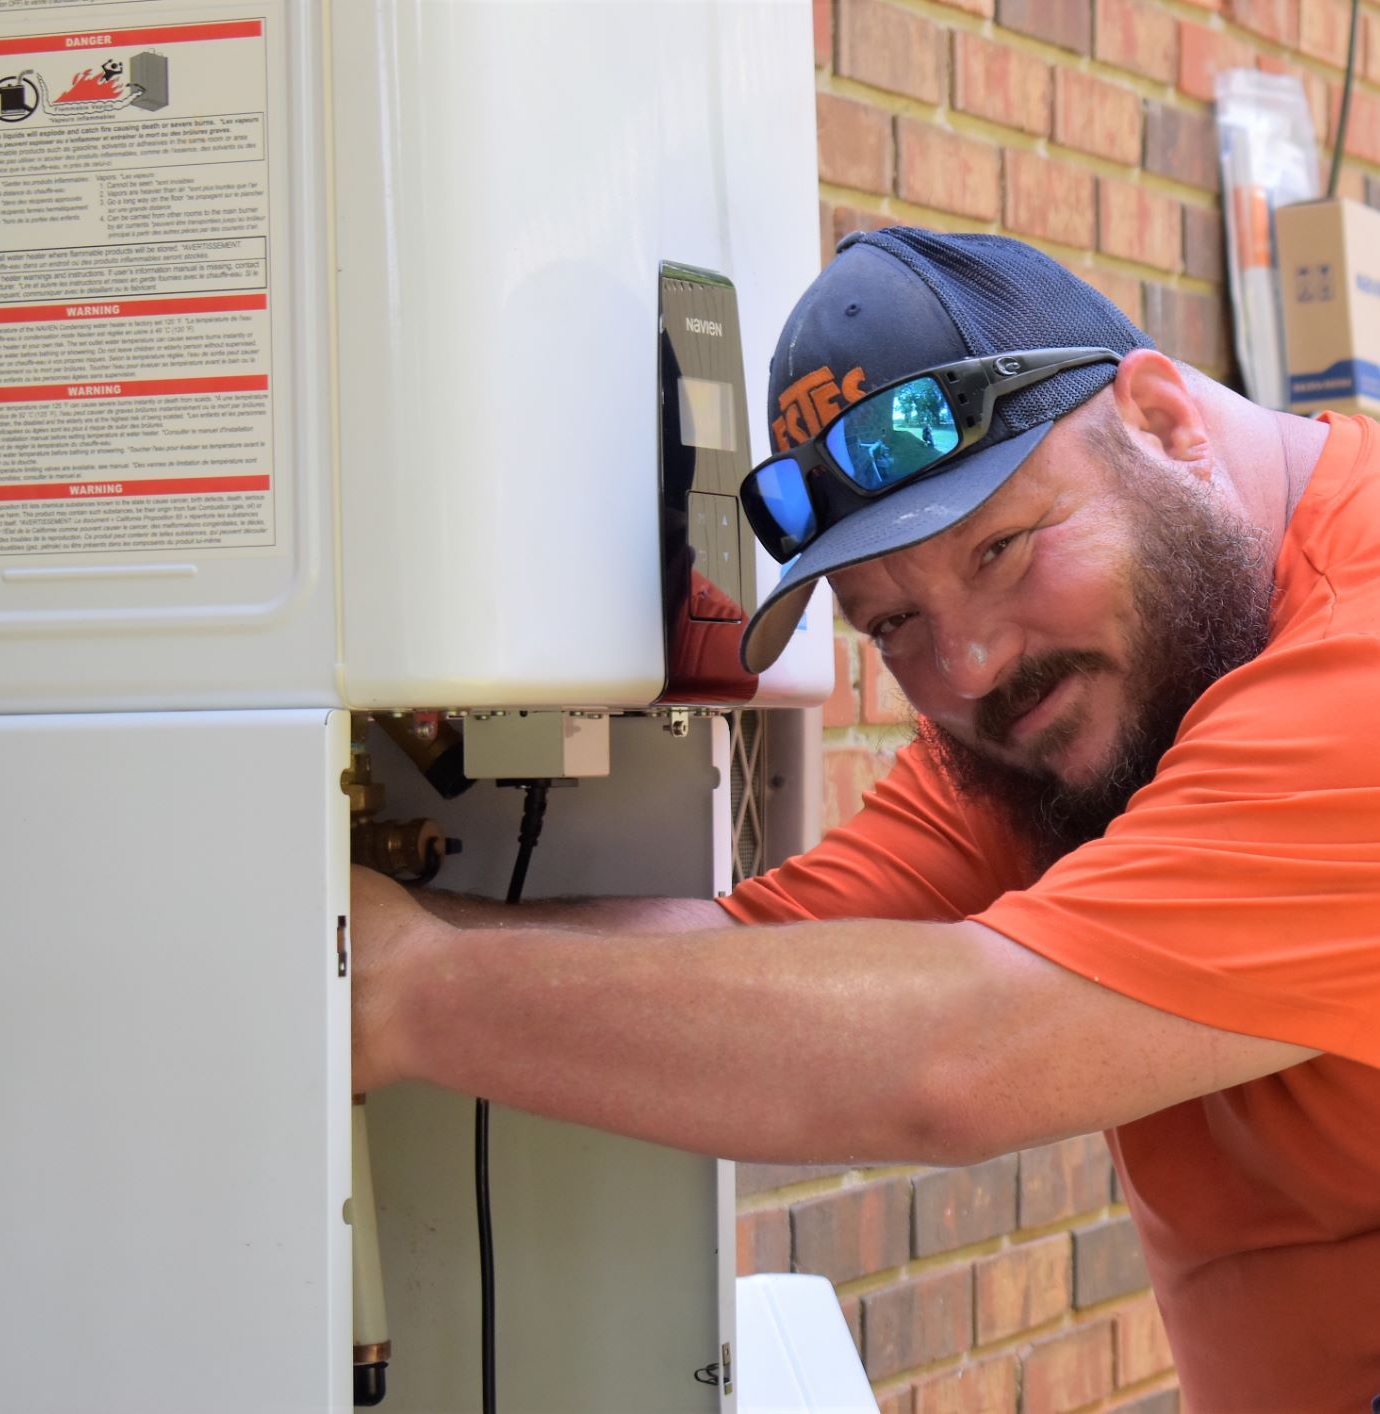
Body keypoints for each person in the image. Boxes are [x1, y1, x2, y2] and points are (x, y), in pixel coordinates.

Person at [351, 229, 1380, 1410]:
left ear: (1161, 421)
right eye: (891, 624)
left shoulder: (1354, 666)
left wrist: (405, 991)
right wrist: (365, 932)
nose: (972, 660)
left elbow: (963, 1053)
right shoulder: (1096, 701)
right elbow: (749, 963)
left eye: (1002, 546)